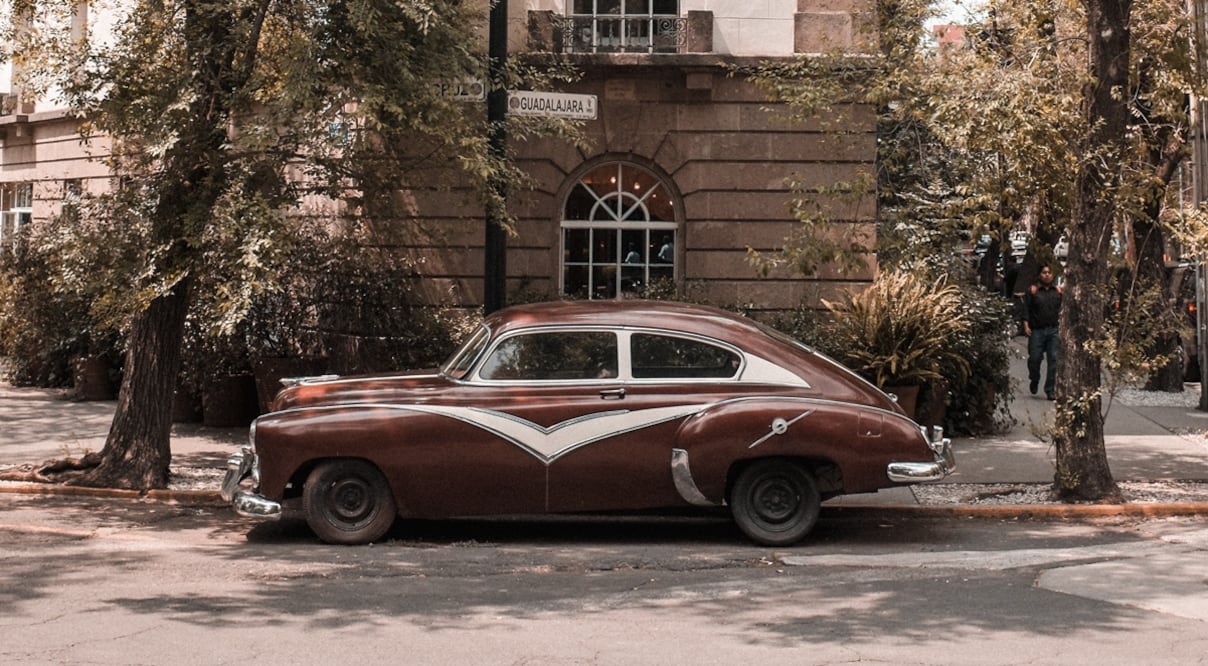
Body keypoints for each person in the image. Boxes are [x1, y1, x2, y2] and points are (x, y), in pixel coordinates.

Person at [1023, 264, 1061, 400]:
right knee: (1034, 358)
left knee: (1054, 359)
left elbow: (1062, 310)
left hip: (1053, 330)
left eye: (1049, 272)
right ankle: (1034, 378)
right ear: (1040, 274)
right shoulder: (1033, 291)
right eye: (1044, 272)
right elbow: (1026, 309)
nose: (1047, 275)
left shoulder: (1057, 291)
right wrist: (1026, 325)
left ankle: (1050, 389)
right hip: (1037, 330)